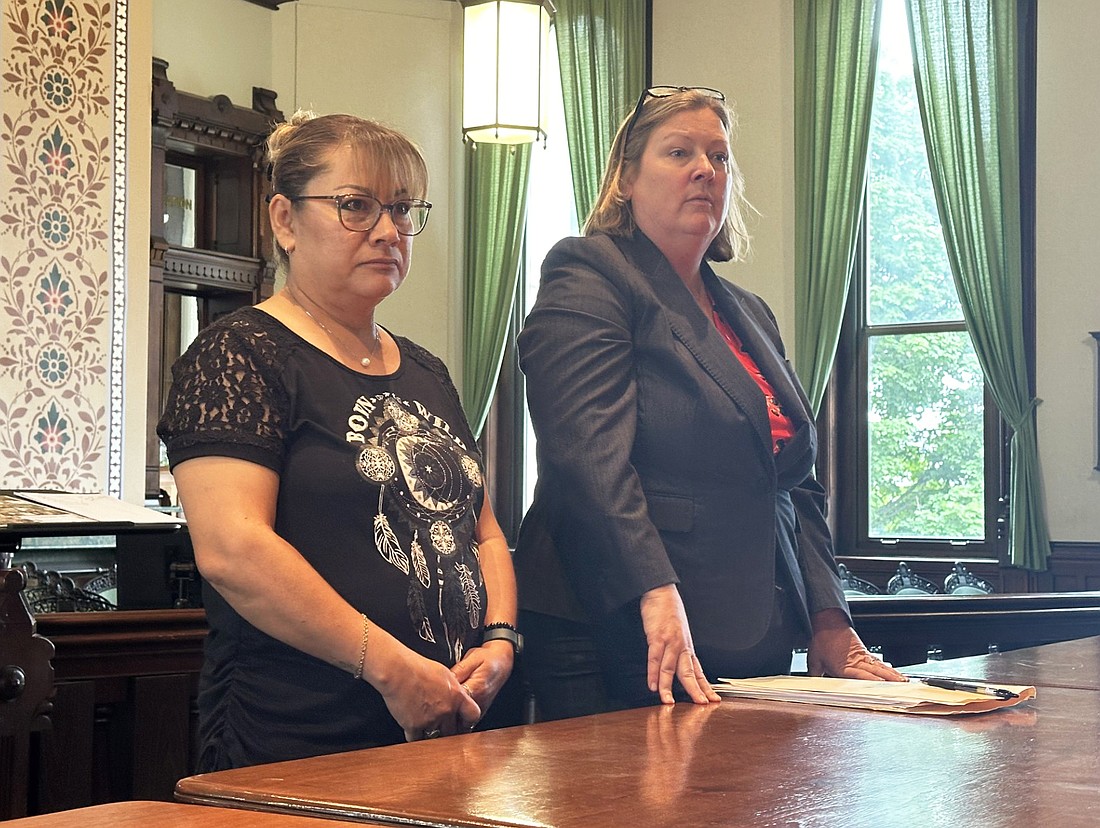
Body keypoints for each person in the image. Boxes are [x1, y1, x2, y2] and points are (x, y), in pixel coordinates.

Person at [514, 86, 903, 721]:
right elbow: (587, 459)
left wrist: (829, 621)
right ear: (626, 180)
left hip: (752, 628)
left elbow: (794, 483)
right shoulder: (589, 273)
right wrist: (653, 589)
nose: (705, 170)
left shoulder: (750, 312)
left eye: (719, 157)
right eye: (679, 152)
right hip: (619, 626)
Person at [157, 112, 519, 770]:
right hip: (302, 738)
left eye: (402, 209)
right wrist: (394, 671)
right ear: (285, 220)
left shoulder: (428, 371)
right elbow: (233, 551)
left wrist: (499, 642)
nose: (388, 230)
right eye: (356, 206)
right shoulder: (240, 354)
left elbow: (484, 531)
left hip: (454, 728)